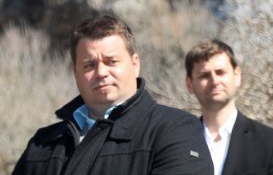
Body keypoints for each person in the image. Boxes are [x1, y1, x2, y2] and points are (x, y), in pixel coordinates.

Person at [13, 15, 212, 175]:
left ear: (135, 64)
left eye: (112, 62)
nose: (101, 72)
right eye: (89, 65)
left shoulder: (174, 130)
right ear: (75, 71)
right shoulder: (43, 144)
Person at [185, 39, 273, 175]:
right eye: (205, 75)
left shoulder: (270, 143)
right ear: (189, 83)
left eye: (220, 72)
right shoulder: (178, 143)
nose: (215, 81)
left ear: (237, 75)